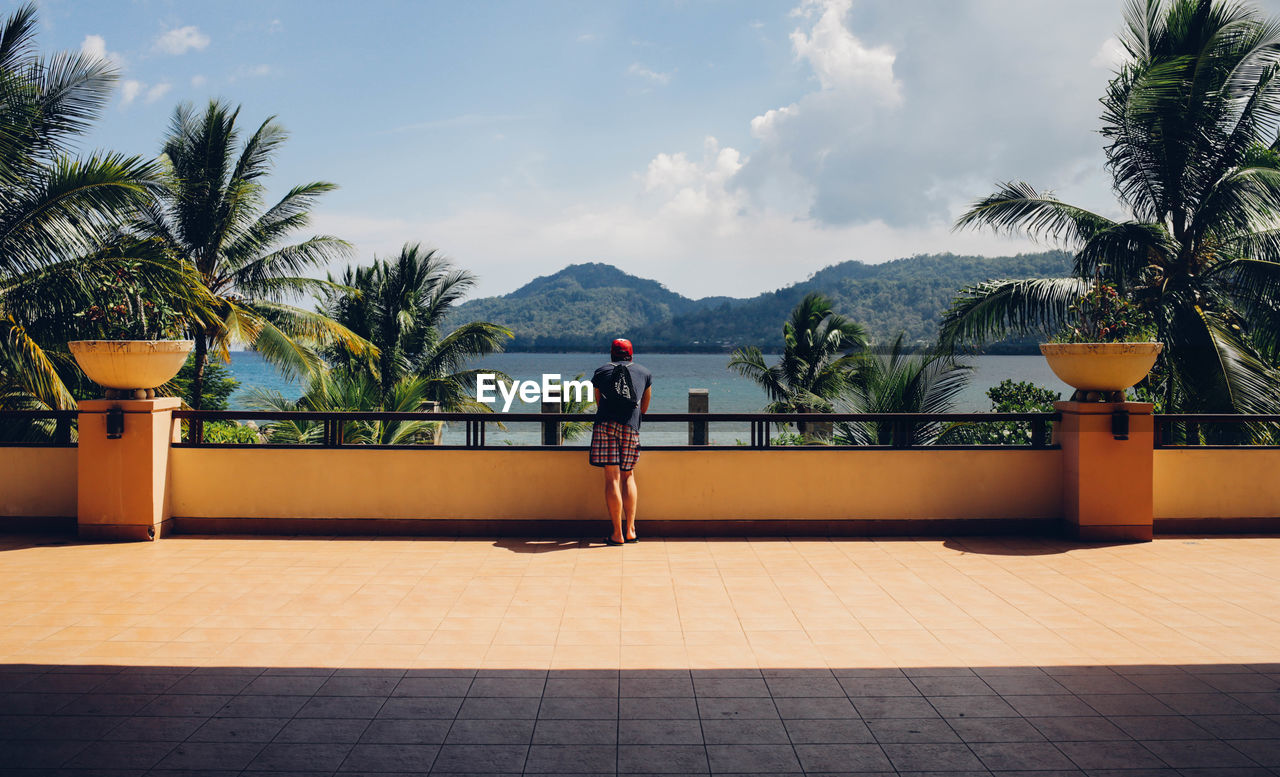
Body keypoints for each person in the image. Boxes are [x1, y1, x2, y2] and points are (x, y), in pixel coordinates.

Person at [589, 338, 652, 546]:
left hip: (606, 425)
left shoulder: (600, 372)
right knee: (628, 476)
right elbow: (644, 406)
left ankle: (617, 533)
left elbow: (598, 402)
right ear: (631, 354)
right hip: (630, 426)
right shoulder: (644, 373)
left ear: (611, 354)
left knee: (612, 477)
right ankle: (631, 529)